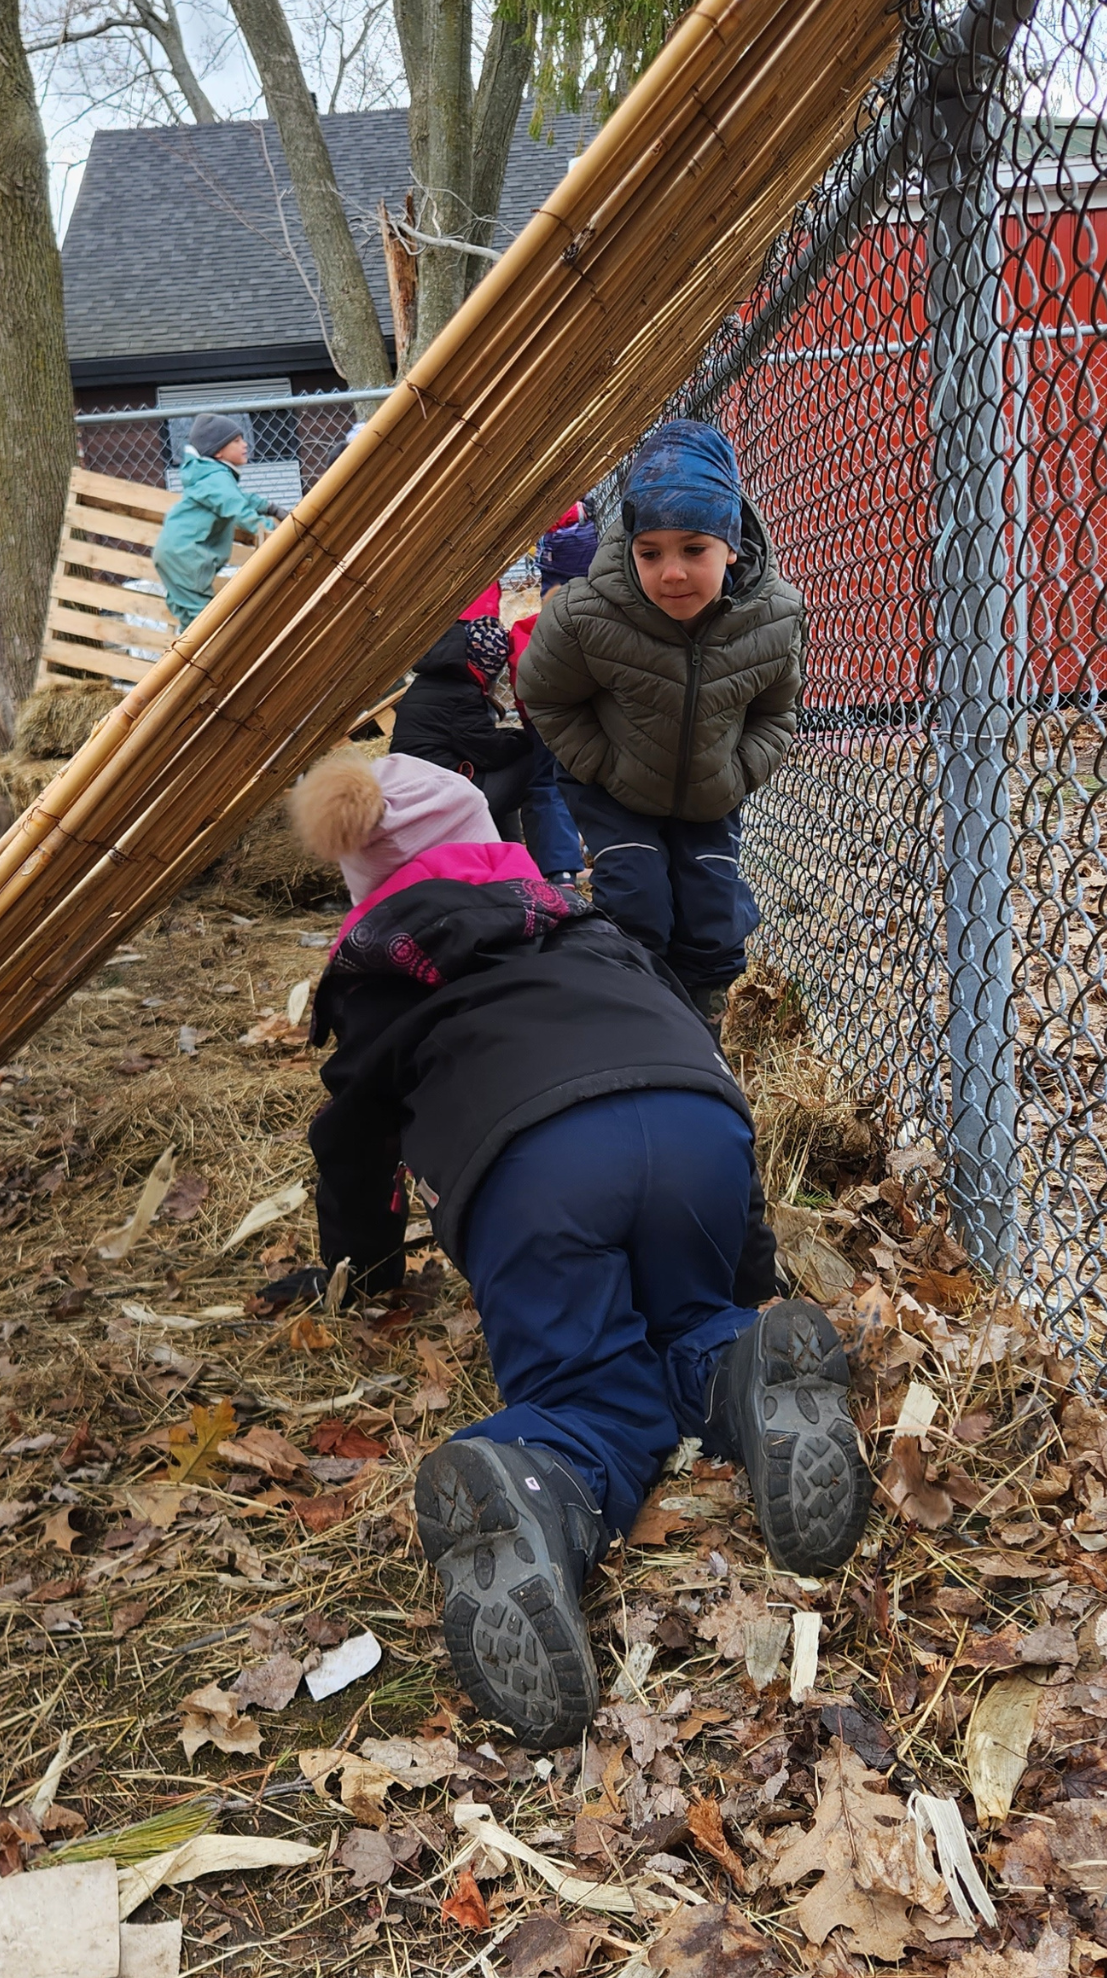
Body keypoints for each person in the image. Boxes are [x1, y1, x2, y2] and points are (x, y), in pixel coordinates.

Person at [292, 747, 869, 1749]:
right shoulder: (578, 918)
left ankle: (533, 1477)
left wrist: (364, 1271)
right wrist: (748, 1273)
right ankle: (743, 1358)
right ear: (490, 842)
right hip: (696, 1123)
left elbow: (354, 1150)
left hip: (533, 1166)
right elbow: (684, 1043)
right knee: (690, 1315)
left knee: (590, 1389)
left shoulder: (378, 971)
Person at [517, 421, 802, 1026]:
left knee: (713, 914)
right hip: (619, 790)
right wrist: (601, 766)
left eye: (694, 550)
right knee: (638, 897)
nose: (672, 573)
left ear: (733, 547)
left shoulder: (772, 616)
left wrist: (739, 770)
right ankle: (640, 1021)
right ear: (630, 549)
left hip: (708, 792)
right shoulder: (586, 613)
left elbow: (777, 708)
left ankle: (701, 1024)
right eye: (651, 553)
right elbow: (544, 696)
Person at [388, 585, 535, 837]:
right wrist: (526, 739)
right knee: (533, 765)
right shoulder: (462, 693)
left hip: (415, 791)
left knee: (500, 781)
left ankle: (504, 847)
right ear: (484, 666)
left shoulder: (430, 680)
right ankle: (529, 853)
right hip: (438, 801)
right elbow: (490, 752)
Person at [505, 506, 600, 884]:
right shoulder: (601, 617)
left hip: (545, 718)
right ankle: (606, 851)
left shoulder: (534, 626)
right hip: (590, 716)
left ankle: (560, 871)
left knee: (547, 785)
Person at [152, 413, 281, 625]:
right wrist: (271, 531)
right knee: (205, 623)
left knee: (191, 617)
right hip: (186, 555)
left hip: (175, 552)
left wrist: (269, 507)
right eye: (236, 441)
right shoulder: (216, 478)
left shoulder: (212, 476)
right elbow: (237, 508)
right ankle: (206, 657)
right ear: (219, 451)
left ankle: (186, 655)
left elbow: (237, 497)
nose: (245, 445)